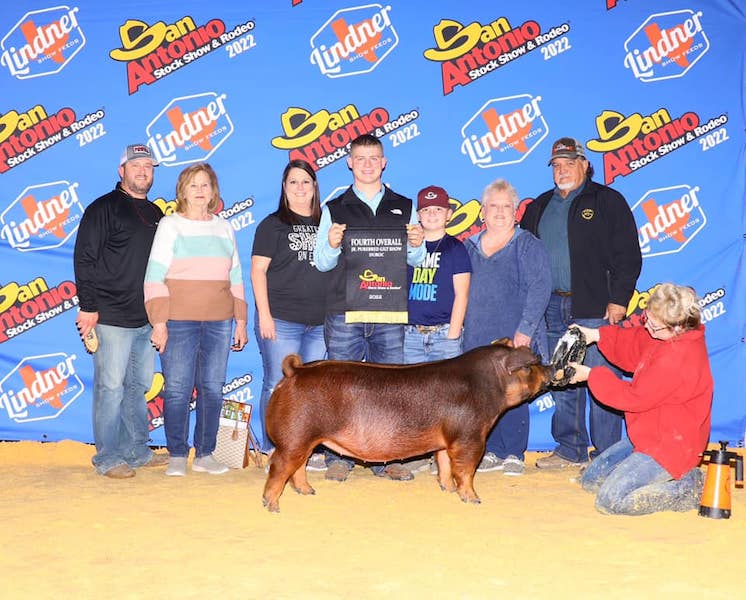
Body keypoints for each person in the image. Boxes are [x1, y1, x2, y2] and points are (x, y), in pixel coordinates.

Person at [521, 137, 642, 469]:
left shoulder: (607, 200)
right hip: (552, 306)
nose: (562, 170)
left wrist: (619, 299)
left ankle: (607, 454)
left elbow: (628, 254)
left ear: (585, 165)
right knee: (562, 378)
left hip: (597, 307)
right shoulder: (539, 206)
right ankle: (570, 448)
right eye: (557, 165)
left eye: (569, 163)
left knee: (601, 377)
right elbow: (524, 256)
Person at [314, 133, 426, 482]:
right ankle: (339, 457)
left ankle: (388, 457)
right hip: (344, 311)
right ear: (349, 162)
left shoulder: (404, 205)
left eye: (373, 158)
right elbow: (321, 262)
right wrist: (331, 244)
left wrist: (417, 244)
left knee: (390, 389)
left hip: (389, 311)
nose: (367, 164)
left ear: (383, 162)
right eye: (360, 158)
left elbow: (416, 258)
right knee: (340, 388)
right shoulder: (333, 208)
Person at [569, 283, 713, 515]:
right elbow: (636, 343)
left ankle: (688, 488)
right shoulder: (667, 335)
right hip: (648, 435)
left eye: (654, 326)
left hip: (671, 446)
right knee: (591, 481)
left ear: (677, 327)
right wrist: (595, 335)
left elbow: (634, 398)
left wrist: (591, 375)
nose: (647, 327)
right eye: (647, 319)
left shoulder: (678, 358)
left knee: (610, 501)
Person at [144, 163, 248, 477]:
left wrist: (241, 321)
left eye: (205, 184)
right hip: (178, 321)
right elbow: (154, 276)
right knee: (177, 389)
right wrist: (159, 322)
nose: (200, 190)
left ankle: (205, 454)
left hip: (220, 322)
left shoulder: (224, 227)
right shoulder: (170, 225)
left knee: (212, 389)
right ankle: (177, 454)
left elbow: (236, 276)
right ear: (183, 191)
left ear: (213, 191)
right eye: (193, 185)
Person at [73, 143, 169, 478]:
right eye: (136, 165)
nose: (143, 171)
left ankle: (136, 451)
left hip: (146, 318)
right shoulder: (103, 208)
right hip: (110, 317)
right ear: (122, 170)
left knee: (137, 388)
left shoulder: (157, 214)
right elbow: (84, 258)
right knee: (110, 388)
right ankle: (108, 458)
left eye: (148, 166)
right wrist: (88, 307)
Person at [463, 179, 551, 476]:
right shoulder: (468, 247)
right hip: (476, 335)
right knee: (484, 395)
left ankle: (513, 451)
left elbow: (540, 288)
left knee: (513, 390)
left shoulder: (527, 245)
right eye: (493, 206)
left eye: (506, 206)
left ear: (516, 211)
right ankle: (491, 449)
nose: (499, 212)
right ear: (483, 211)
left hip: (515, 334)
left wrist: (526, 330)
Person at [251, 159, 330, 471]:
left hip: (321, 322)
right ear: (284, 187)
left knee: (313, 391)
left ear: (314, 187)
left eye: (305, 182)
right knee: (277, 384)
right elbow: (258, 271)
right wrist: (264, 315)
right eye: (293, 182)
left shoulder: (328, 224)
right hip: (282, 319)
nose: (300, 187)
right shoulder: (272, 225)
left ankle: (307, 451)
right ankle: (274, 448)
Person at [402, 185, 471, 476]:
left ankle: (447, 456)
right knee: (414, 399)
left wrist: (453, 334)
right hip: (412, 335)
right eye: (426, 210)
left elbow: (462, 294)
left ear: (448, 214)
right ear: (418, 215)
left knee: (448, 402)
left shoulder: (456, 249)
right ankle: (417, 454)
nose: (432, 214)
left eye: (438, 210)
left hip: (444, 334)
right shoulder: (408, 249)